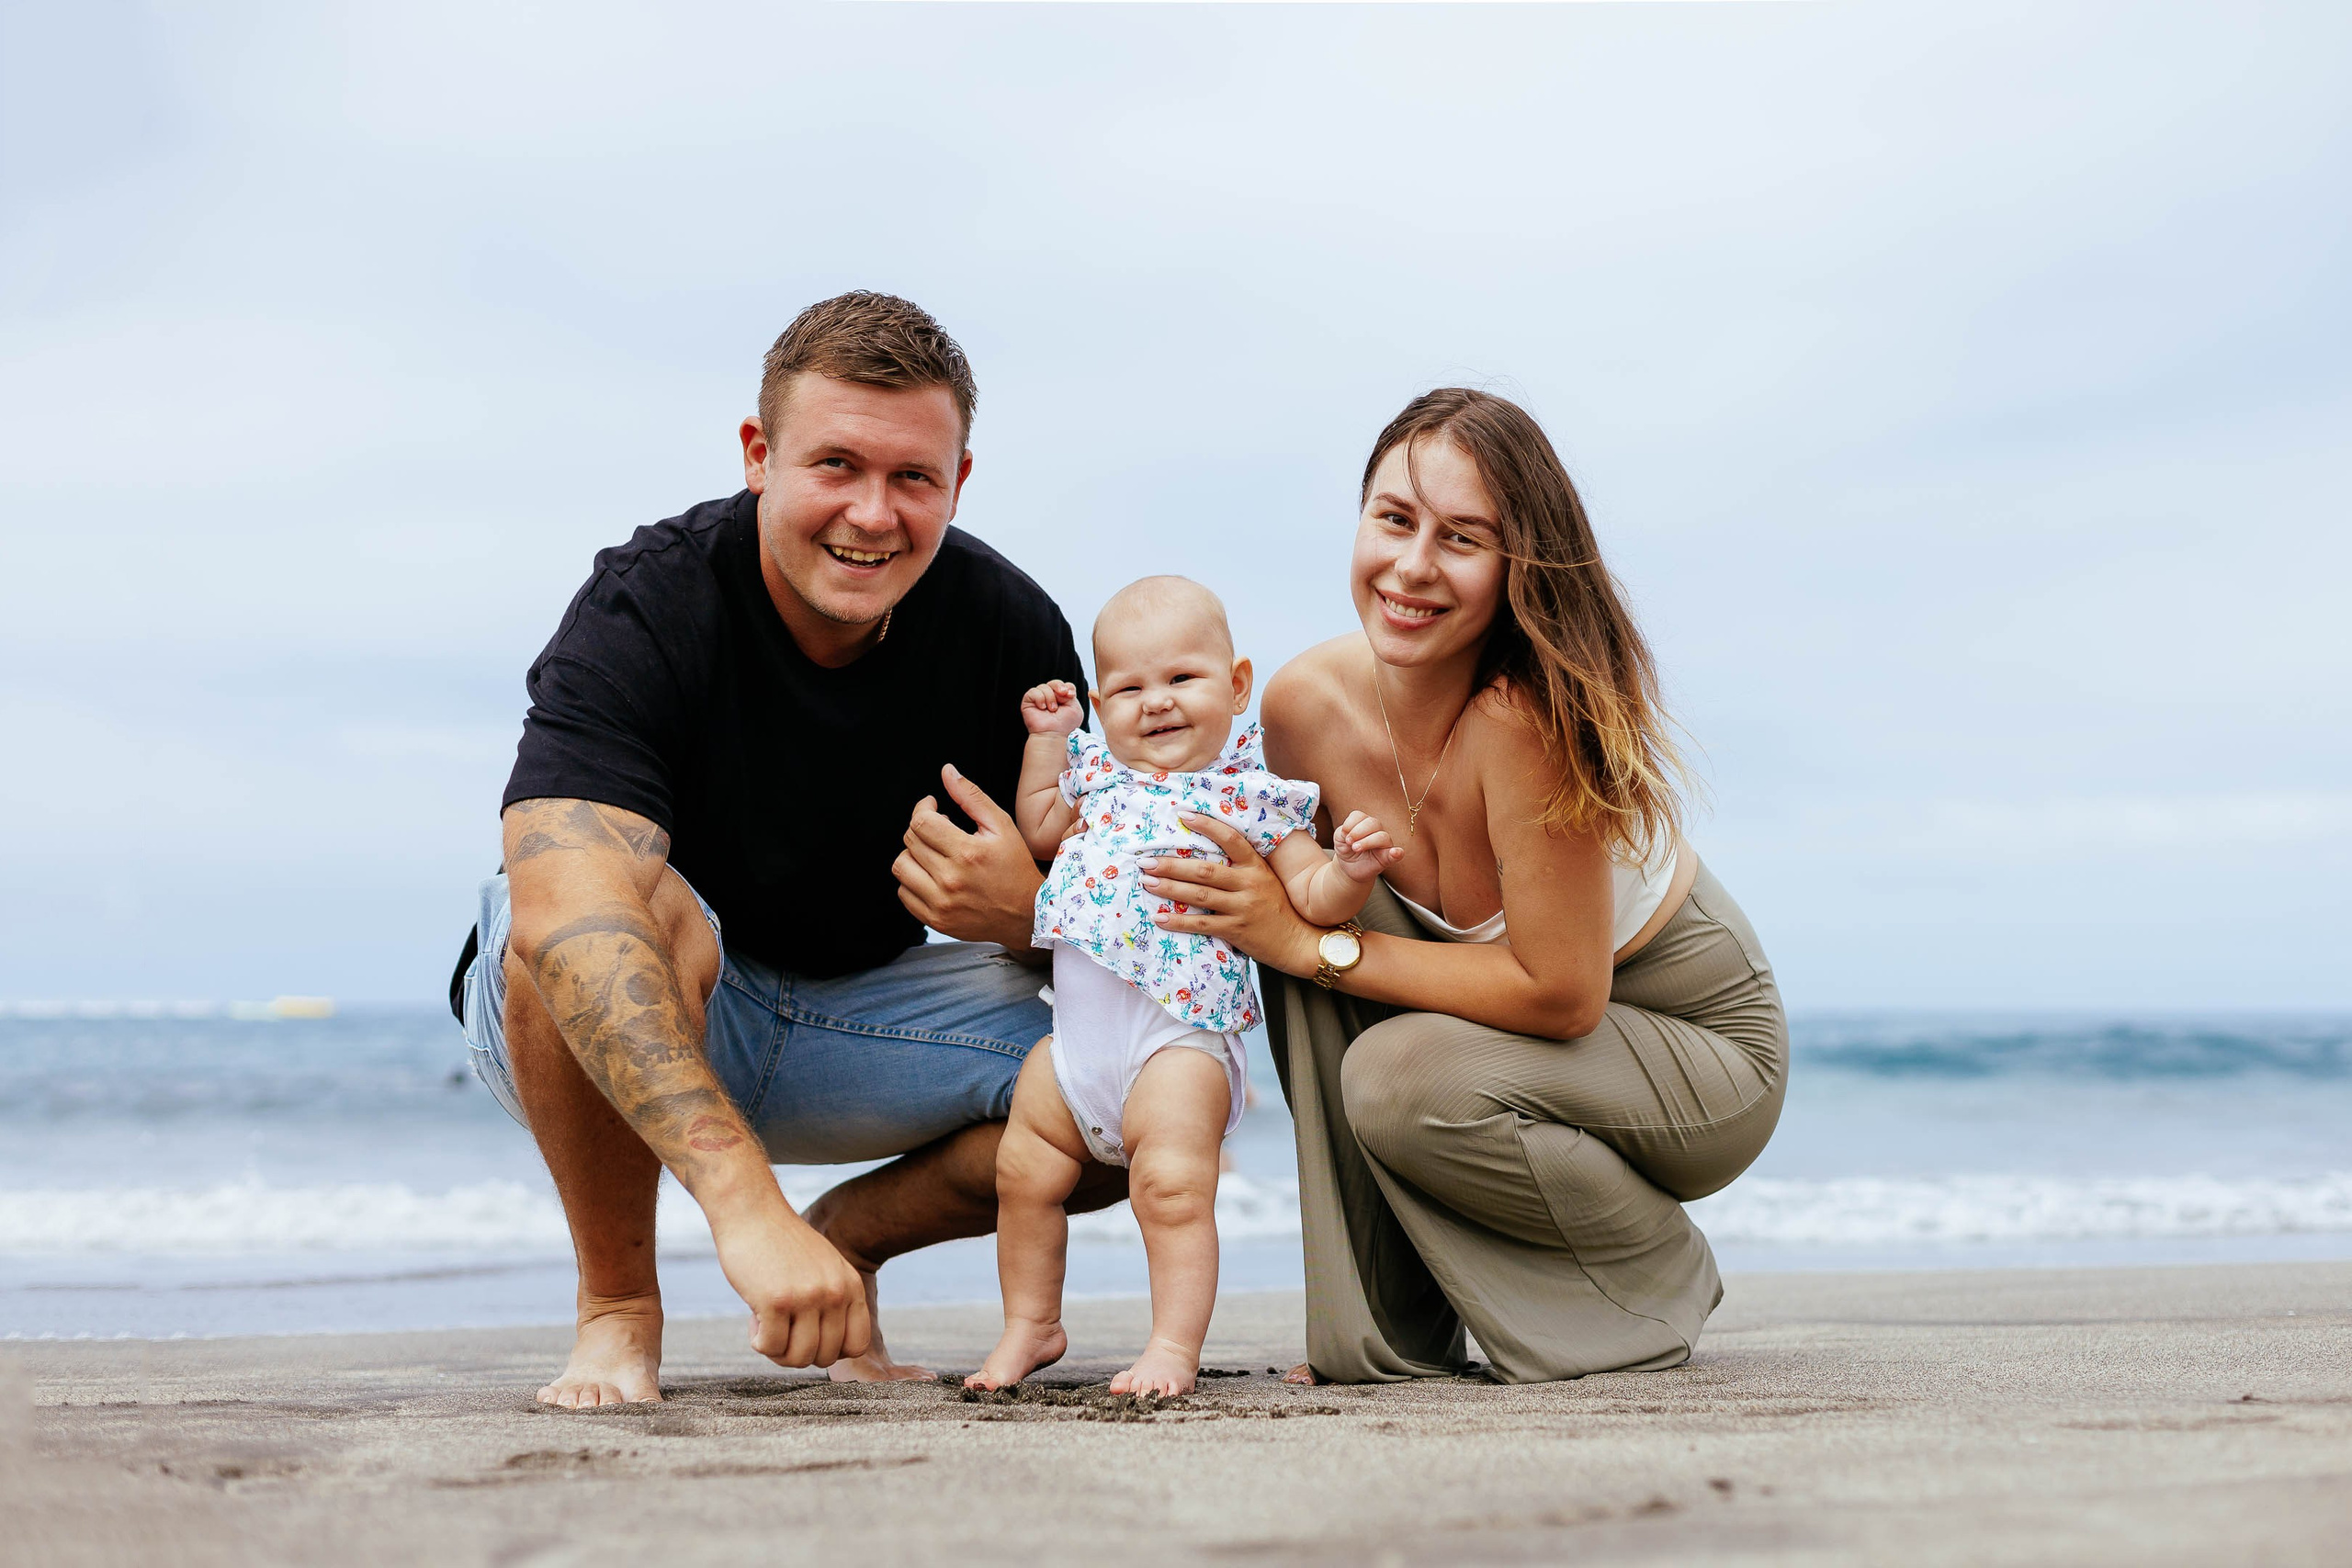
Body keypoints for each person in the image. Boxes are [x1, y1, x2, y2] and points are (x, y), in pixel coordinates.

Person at [451, 291, 1125, 1406]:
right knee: (578, 918)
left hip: (857, 1017)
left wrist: (1033, 911)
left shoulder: (1011, 630)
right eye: (836, 466)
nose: (873, 513)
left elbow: (1122, 937)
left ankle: (846, 1240)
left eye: (913, 477)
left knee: (1133, 1091)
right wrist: (741, 1206)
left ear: (958, 482)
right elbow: (558, 894)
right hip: (644, 1014)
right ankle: (617, 1308)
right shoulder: (650, 600)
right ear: (759, 455)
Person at [1138, 389, 1788, 1384]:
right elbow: (1295, 946)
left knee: (1390, 1066)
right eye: (1394, 520)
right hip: (1529, 1037)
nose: (1411, 567)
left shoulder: (1524, 717)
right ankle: (1378, 1332)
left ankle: (1643, 1278)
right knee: (1305, 917)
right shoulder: (1302, 707)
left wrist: (1310, 943)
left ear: (1516, 566)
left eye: (1461, 539)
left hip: (1691, 1042)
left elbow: (1562, 996)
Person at [964, 577, 1398, 1397]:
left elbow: (1308, 897)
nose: (1155, 703)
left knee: (1169, 1189)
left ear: (1236, 685)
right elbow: (1038, 828)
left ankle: (1171, 1345)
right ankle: (1032, 1324)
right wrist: (1050, 740)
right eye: (1129, 688)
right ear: (1101, 704)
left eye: (1181, 680)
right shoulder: (1095, 780)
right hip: (1077, 1049)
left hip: (1178, 1044)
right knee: (1022, 1174)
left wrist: (1348, 869)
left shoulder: (1251, 797)